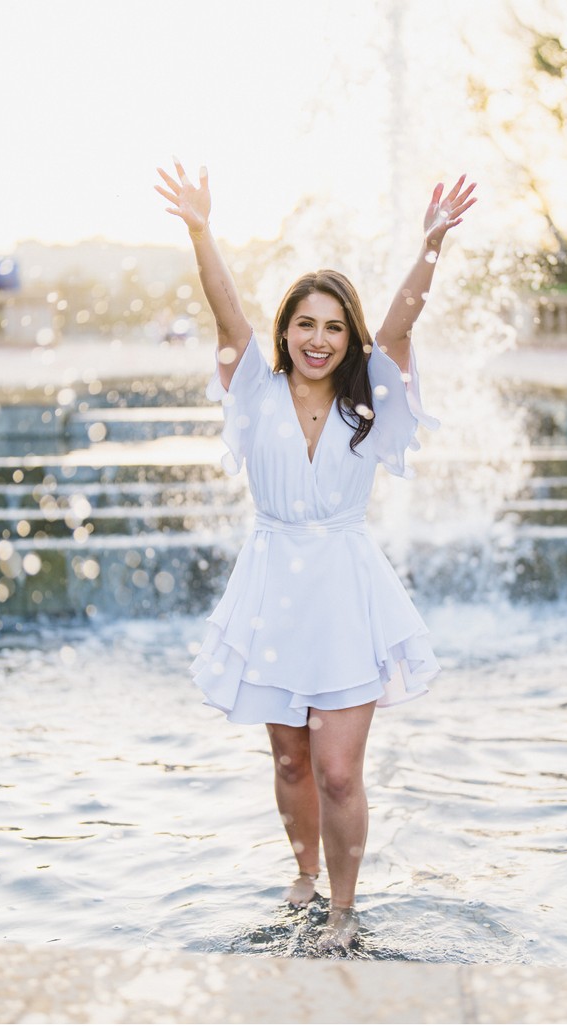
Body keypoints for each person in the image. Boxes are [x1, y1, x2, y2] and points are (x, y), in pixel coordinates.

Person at [155, 159, 476, 952]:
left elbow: (401, 323)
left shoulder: (369, 392)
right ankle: (300, 871)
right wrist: (201, 229)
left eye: (334, 326)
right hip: (271, 581)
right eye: (306, 324)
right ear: (286, 331)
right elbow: (225, 312)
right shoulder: (255, 389)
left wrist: (430, 245)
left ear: (348, 335)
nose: (319, 339)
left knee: (337, 771)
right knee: (291, 762)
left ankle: (342, 906)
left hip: (343, 587)